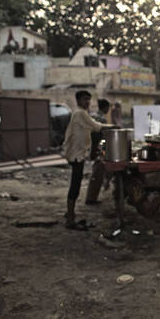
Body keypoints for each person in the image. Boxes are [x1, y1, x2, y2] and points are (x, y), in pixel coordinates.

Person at [63, 91, 115, 230]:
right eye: (84, 99)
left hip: (77, 153)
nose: (87, 102)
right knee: (75, 185)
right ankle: (70, 219)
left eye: (88, 100)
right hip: (76, 154)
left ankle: (70, 214)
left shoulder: (80, 113)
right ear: (78, 100)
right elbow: (97, 126)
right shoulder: (80, 113)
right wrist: (114, 127)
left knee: (76, 184)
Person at [85, 99, 111, 205]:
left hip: (93, 147)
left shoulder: (93, 116)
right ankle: (91, 199)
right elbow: (102, 136)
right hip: (98, 148)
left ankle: (91, 197)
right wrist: (103, 150)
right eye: (108, 108)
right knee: (97, 173)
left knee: (96, 173)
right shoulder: (102, 119)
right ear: (105, 108)